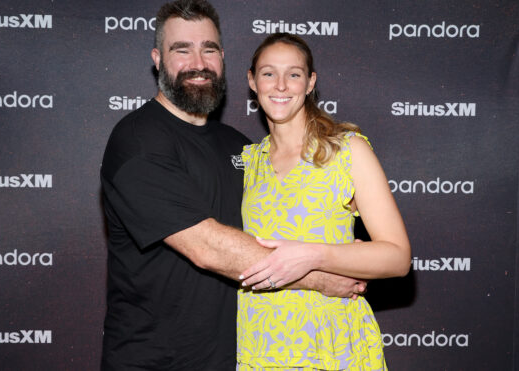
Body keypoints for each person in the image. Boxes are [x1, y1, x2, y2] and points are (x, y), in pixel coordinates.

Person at [100, 1, 367, 370]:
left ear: (222, 58)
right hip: (157, 360)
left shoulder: (241, 147)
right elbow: (208, 247)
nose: (198, 62)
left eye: (208, 49)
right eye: (182, 49)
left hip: (241, 355)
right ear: (157, 59)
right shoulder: (138, 140)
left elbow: (280, 217)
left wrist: (341, 245)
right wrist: (321, 276)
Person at [236, 33, 411, 370]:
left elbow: (398, 257)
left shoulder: (348, 151)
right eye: (269, 73)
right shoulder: (247, 162)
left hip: (332, 343)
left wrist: (315, 254)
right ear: (252, 81)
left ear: (310, 81)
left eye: (295, 74)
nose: (282, 85)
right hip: (259, 345)